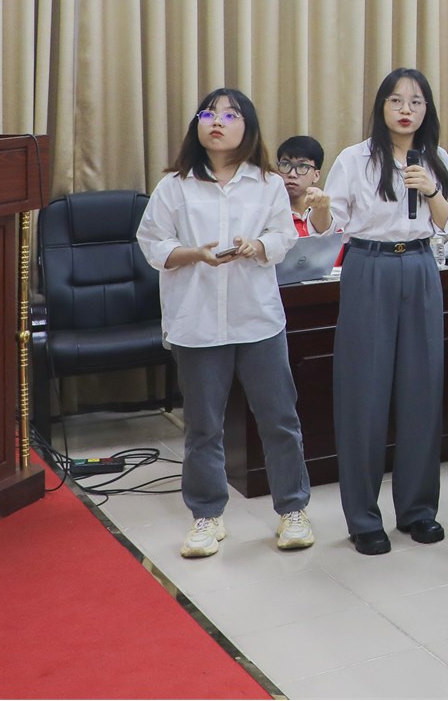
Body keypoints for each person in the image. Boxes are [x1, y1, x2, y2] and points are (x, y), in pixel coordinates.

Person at [137, 88, 314, 559]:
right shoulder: (175, 186)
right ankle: (206, 516)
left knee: (279, 419)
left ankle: (293, 510)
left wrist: (259, 246)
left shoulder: (268, 183)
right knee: (203, 427)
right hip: (196, 323)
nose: (217, 121)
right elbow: (152, 243)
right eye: (208, 114)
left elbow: (284, 235)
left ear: (248, 127)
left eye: (230, 115)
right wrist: (193, 254)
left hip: (257, 320)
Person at [322, 67, 448, 555]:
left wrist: (432, 189)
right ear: (381, 107)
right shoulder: (355, 158)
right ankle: (363, 518)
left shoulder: (436, 159)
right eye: (396, 101)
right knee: (364, 394)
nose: (406, 110)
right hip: (369, 266)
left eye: (416, 102)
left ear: (427, 110)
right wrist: (318, 206)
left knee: (422, 389)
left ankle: (418, 510)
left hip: (421, 266)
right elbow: (329, 224)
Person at [277, 136, 330, 236]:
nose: (292, 174)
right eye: (285, 165)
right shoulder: (271, 215)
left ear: (316, 175)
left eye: (302, 166)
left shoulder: (328, 215)